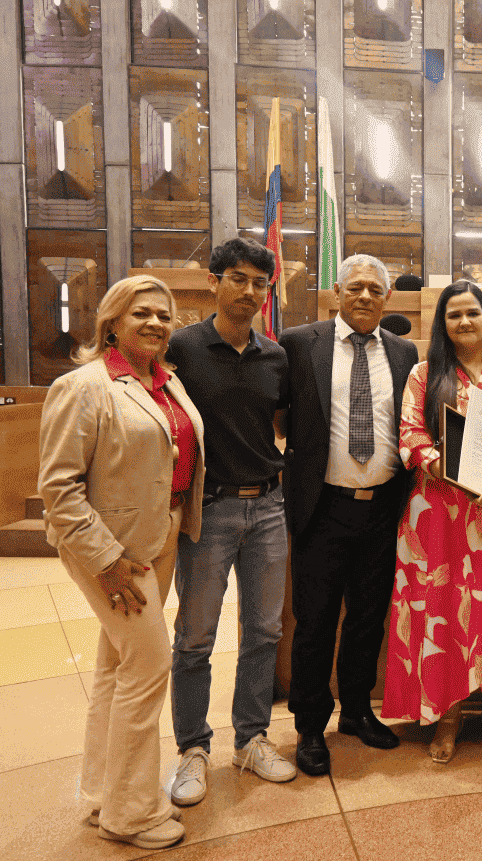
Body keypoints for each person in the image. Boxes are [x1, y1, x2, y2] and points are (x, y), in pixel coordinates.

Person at [38, 275, 204, 850]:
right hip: (109, 551)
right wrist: (106, 560)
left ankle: (101, 793)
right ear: (112, 321)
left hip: (158, 540)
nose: (156, 323)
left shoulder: (167, 383)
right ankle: (131, 813)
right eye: (142, 314)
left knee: (116, 667)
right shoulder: (83, 386)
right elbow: (59, 489)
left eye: (164, 315)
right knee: (148, 666)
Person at [381, 280, 482, 764]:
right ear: (444, 323)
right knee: (444, 609)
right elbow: (409, 434)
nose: (465, 322)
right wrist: (447, 468)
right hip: (440, 513)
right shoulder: (424, 373)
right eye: (454, 315)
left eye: (472, 313)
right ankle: (445, 715)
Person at [278, 254, 419, 776]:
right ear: (336, 291)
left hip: (384, 508)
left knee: (367, 618)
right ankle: (309, 725)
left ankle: (357, 711)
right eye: (355, 287)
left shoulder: (404, 353)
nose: (364, 296)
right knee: (314, 622)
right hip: (322, 508)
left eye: (375, 289)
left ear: (387, 299)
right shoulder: (298, 344)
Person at [166, 238, 295, 807]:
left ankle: (251, 738)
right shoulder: (181, 349)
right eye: (238, 279)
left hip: (268, 507)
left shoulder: (275, 356)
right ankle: (193, 748)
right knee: (195, 636)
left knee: (264, 632)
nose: (249, 292)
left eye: (259, 283)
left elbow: (284, 423)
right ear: (214, 280)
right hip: (208, 509)